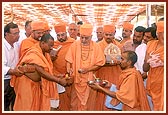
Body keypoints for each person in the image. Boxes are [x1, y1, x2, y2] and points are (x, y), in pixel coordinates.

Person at [10, 33, 69, 111]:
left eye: (52, 46)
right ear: (42, 43)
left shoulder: (44, 53)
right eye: (50, 46)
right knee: (27, 107)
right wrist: (58, 80)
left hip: (37, 86)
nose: (51, 48)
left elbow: (46, 70)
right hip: (27, 86)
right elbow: (40, 71)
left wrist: (57, 76)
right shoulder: (33, 52)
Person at [65, 23, 105, 110]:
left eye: (86, 38)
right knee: (74, 104)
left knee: (89, 104)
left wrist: (88, 70)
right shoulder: (75, 44)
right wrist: (69, 69)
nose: (83, 40)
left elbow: (99, 63)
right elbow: (68, 59)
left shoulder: (96, 46)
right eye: (81, 37)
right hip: (77, 80)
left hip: (89, 81)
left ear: (91, 36)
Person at [95, 24, 122, 110]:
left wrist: (119, 62)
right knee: (101, 98)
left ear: (114, 34)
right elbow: (96, 62)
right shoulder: (98, 46)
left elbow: (123, 60)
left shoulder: (119, 46)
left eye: (110, 35)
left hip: (116, 76)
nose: (108, 37)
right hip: (102, 74)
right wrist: (106, 62)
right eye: (106, 35)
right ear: (103, 34)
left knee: (113, 94)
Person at [53, 23, 75, 110]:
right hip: (57, 76)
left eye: (62, 35)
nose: (61, 37)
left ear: (66, 33)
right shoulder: (53, 44)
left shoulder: (73, 43)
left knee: (71, 98)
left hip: (70, 75)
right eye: (58, 35)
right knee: (61, 99)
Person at [143, 21, 164, 111]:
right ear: (157, 34)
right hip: (152, 85)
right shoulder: (151, 44)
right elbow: (145, 68)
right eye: (162, 33)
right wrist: (149, 60)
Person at [3, 22, 23, 111]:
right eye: (15, 33)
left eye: (18, 33)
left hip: (14, 79)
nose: (18, 35)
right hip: (4, 81)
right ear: (6, 34)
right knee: (4, 106)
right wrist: (14, 71)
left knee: (15, 105)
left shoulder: (15, 44)